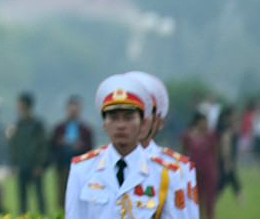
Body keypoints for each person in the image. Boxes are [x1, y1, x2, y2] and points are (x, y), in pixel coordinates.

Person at [66, 73, 188, 218]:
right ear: (105, 124)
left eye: (128, 118)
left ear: (143, 124)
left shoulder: (165, 174)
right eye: (113, 118)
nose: (121, 126)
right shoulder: (82, 170)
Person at [126, 70, 199, 217]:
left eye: (144, 115)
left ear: (158, 121)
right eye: (127, 115)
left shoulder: (178, 169)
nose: (137, 122)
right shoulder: (92, 168)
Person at [49, 95, 93, 208]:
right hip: (63, 164)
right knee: (63, 195)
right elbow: (51, 145)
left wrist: (80, 145)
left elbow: (90, 148)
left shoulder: (85, 129)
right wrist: (61, 143)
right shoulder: (59, 128)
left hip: (81, 165)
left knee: (80, 194)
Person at [8, 92, 48, 216]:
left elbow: (42, 145)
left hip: (34, 165)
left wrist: (40, 164)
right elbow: (15, 145)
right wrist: (14, 162)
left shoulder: (37, 124)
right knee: (22, 197)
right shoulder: (18, 124)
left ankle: (43, 216)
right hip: (22, 164)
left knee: (39, 196)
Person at [182, 112, 218, 218]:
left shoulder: (211, 136)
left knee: (208, 200)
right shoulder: (188, 135)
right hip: (193, 172)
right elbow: (184, 152)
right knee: (193, 199)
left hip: (208, 171)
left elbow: (216, 152)